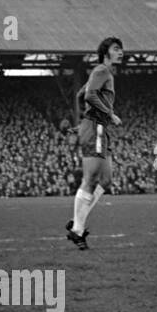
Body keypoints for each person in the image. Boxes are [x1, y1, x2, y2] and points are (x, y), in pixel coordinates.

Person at [65, 36, 125, 249]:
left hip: (99, 128)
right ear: (106, 51)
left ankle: (77, 224)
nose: (121, 52)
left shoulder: (103, 72)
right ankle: (78, 230)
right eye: (117, 48)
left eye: (121, 49)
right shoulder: (102, 71)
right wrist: (110, 113)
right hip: (96, 127)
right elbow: (89, 95)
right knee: (90, 179)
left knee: (106, 180)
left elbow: (83, 93)